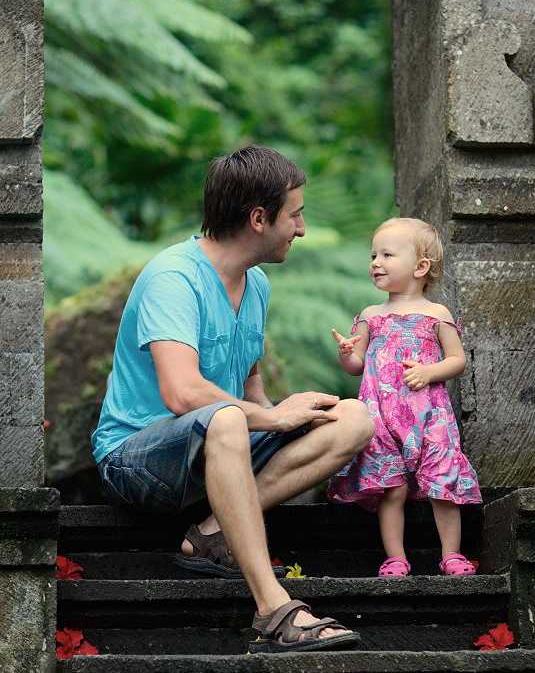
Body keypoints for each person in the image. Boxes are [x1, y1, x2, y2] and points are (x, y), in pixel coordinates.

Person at [91, 145, 373, 653]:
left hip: (219, 449)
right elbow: (182, 392)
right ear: (259, 218)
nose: (302, 229)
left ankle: (211, 531)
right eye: (295, 215)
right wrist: (272, 418)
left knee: (351, 417)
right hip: (135, 461)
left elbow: (250, 387)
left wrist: (287, 412)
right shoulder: (174, 277)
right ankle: (273, 609)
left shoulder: (256, 284)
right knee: (223, 418)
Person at [328, 217, 482, 578]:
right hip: (380, 416)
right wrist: (347, 354)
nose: (375, 262)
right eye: (373, 255)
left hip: (429, 414)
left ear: (420, 266)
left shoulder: (436, 314)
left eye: (387, 255)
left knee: (442, 482)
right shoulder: (371, 316)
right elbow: (356, 366)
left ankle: (452, 554)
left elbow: (457, 359)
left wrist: (429, 372)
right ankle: (395, 556)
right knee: (391, 487)